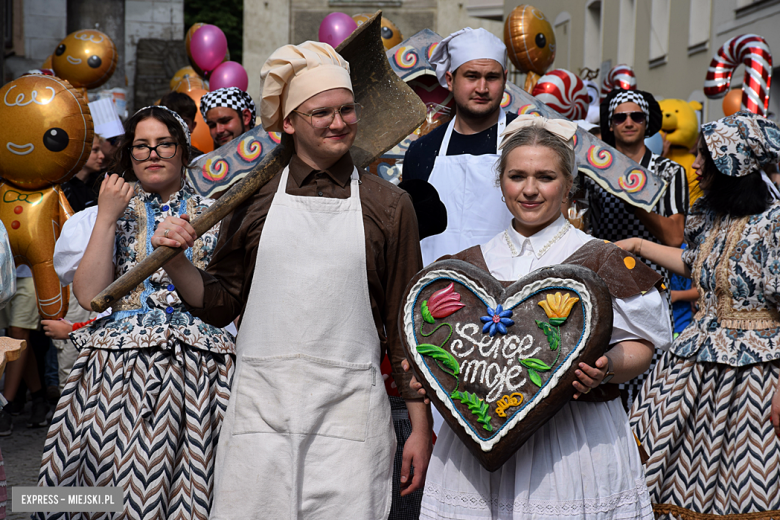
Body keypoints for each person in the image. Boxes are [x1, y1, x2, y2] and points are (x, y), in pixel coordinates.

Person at [153, 41, 432, 518]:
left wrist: (421, 429)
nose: (339, 122)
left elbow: (406, 328)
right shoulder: (251, 199)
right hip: (262, 407)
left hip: (350, 412)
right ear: (287, 123)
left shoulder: (389, 206)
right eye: (321, 112)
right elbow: (219, 304)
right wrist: (176, 263)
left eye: (347, 109)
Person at [407, 116, 672, 520]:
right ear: (501, 183)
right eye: (517, 176)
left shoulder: (603, 258)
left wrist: (607, 368)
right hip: (479, 445)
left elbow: (641, 347)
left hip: (573, 442)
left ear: (569, 185)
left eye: (545, 177)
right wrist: (433, 372)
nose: (529, 189)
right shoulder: (464, 265)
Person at [35, 106, 235, 520]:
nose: (153, 154)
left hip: (198, 374)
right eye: (141, 146)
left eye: (164, 144)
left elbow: (223, 297)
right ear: (129, 156)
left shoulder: (218, 212)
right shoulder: (101, 214)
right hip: (115, 374)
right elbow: (92, 295)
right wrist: (107, 217)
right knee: (104, 482)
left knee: (193, 484)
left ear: (182, 151)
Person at [624, 112, 780, 518]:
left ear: (730, 164)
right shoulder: (711, 216)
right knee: (664, 472)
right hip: (694, 361)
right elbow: (696, 261)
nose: (694, 166)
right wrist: (639, 245)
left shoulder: (774, 224)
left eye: (703, 158)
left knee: (745, 483)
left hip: (756, 375)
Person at [584, 88, 689, 409]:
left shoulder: (670, 172)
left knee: (652, 376)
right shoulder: (591, 170)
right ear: (611, 125)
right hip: (603, 281)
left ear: (648, 123)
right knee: (602, 368)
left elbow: (674, 237)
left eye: (637, 116)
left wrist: (632, 192)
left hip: (650, 284)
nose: (629, 122)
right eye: (620, 117)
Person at [403, 27, 517, 266]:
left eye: (492, 77)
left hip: (511, 290)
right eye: (472, 76)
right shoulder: (422, 151)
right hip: (436, 293)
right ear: (450, 80)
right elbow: (408, 236)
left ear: (505, 79)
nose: (482, 88)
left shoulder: (525, 139)